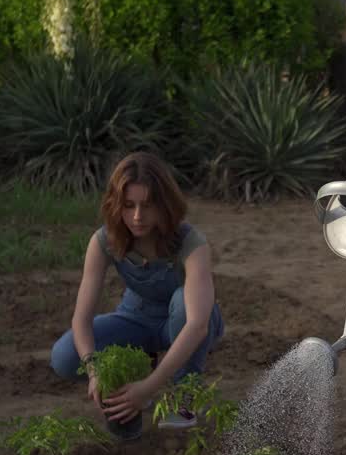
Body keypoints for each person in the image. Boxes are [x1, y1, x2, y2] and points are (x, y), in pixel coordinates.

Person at [49, 151, 225, 433]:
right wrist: (95, 371)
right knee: (65, 356)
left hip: (183, 323)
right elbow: (81, 320)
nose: (137, 216)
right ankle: (134, 378)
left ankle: (184, 397)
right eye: (128, 205)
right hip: (137, 318)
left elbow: (197, 325)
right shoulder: (104, 240)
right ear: (116, 205)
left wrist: (149, 388)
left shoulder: (191, 242)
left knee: (183, 303)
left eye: (147, 205)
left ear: (164, 204)